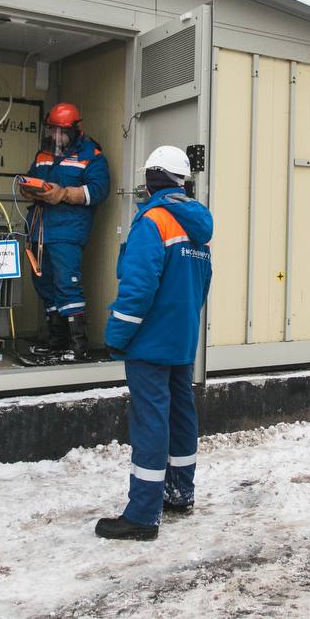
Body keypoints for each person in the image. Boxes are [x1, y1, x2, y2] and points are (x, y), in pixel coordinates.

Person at [95, 145, 213, 541]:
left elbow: (138, 288)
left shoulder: (153, 222)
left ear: (152, 180)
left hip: (149, 343)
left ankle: (142, 515)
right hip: (182, 341)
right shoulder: (197, 226)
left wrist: (116, 335)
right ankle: (179, 493)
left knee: (150, 421)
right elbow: (201, 287)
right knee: (181, 415)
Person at [21, 102, 110, 361]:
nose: (57, 137)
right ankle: (57, 340)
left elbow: (98, 191)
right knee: (44, 283)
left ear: (75, 129)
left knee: (66, 283)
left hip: (68, 230)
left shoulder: (90, 155)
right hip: (39, 229)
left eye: (62, 132)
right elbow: (32, 176)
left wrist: (64, 194)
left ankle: (78, 344)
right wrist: (28, 187)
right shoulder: (44, 153)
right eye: (53, 130)